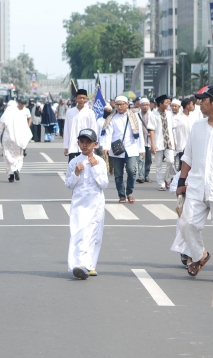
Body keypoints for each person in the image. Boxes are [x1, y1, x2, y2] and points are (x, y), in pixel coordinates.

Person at [177, 85, 213, 277]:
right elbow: (187, 156)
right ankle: (200, 255)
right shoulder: (197, 126)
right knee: (186, 224)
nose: (199, 103)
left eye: (203, 100)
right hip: (197, 186)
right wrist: (182, 181)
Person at [65, 128, 109, 280]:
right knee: (79, 233)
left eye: (88, 142)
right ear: (78, 143)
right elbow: (69, 184)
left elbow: (104, 184)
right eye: (82, 142)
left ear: (95, 144)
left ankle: (89, 265)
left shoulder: (100, 162)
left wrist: (95, 166)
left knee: (94, 234)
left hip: (96, 202)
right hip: (79, 203)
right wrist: (76, 173)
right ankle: (79, 265)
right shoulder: (74, 162)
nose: (85, 145)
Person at [100, 96, 145, 203]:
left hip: (132, 148)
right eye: (117, 105)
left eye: (121, 104)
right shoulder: (111, 118)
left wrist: (141, 149)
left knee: (132, 170)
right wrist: (106, 147)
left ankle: (129, 192)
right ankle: (121, 195)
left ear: (127, 105)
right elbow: (108, 134)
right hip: (117, 150)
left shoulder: (134, 117)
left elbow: (140, 134)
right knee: (118, 174)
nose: (119, 107)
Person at [0, 100, 32, 182]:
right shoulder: (19, 117)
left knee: (7, 156)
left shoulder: (5, 115)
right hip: (17, 139)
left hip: (6, 138)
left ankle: (10, 175)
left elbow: (0, 129)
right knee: (19, 156)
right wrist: (25, 141)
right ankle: (16, 168)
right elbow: (25, 129)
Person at [148, 94, 176, 191]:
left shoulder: (169, 114)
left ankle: (167, 179)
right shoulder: (153, 115)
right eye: (167, 102)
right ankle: (161, 183)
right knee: (158, 164)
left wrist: (174, 142)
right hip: (158, 142)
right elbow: (151, 130)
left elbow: (172, 129)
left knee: (171, 161)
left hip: (169, 142)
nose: (168, 104)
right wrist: (152, 144)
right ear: (160, 104)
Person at [63, 89, 97, 163]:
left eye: (83, 98)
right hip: (73, 145)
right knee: (72, 167)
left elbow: (93, 129)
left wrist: (94, 146)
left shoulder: (90, 112)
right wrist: (66, 146)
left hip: (86, 145)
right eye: (80, 98)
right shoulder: (70, 112)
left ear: (86, 99)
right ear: (76, 98)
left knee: (86, 166)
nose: (81, 100)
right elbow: (66, 130)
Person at [172, 98, 196, 171]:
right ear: (187, 106)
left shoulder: (193, 117)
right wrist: (174, 142)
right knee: (182, 166)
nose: (193, 106)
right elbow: (172, 131)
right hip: (182, 145)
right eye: (192, 104)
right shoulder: (177, 118)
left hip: (192, 145)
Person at [136, 98, 154, 183]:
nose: (145, 107)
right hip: (140, 141)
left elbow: (155, 127)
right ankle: (141, 176)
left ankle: (146, 175)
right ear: (140, 105)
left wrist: (152, 133)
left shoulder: (152, 115)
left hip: (149, 141)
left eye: (147, 105)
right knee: (141, 159)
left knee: (148, 160)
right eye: (143, 105)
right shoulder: (136, 115)